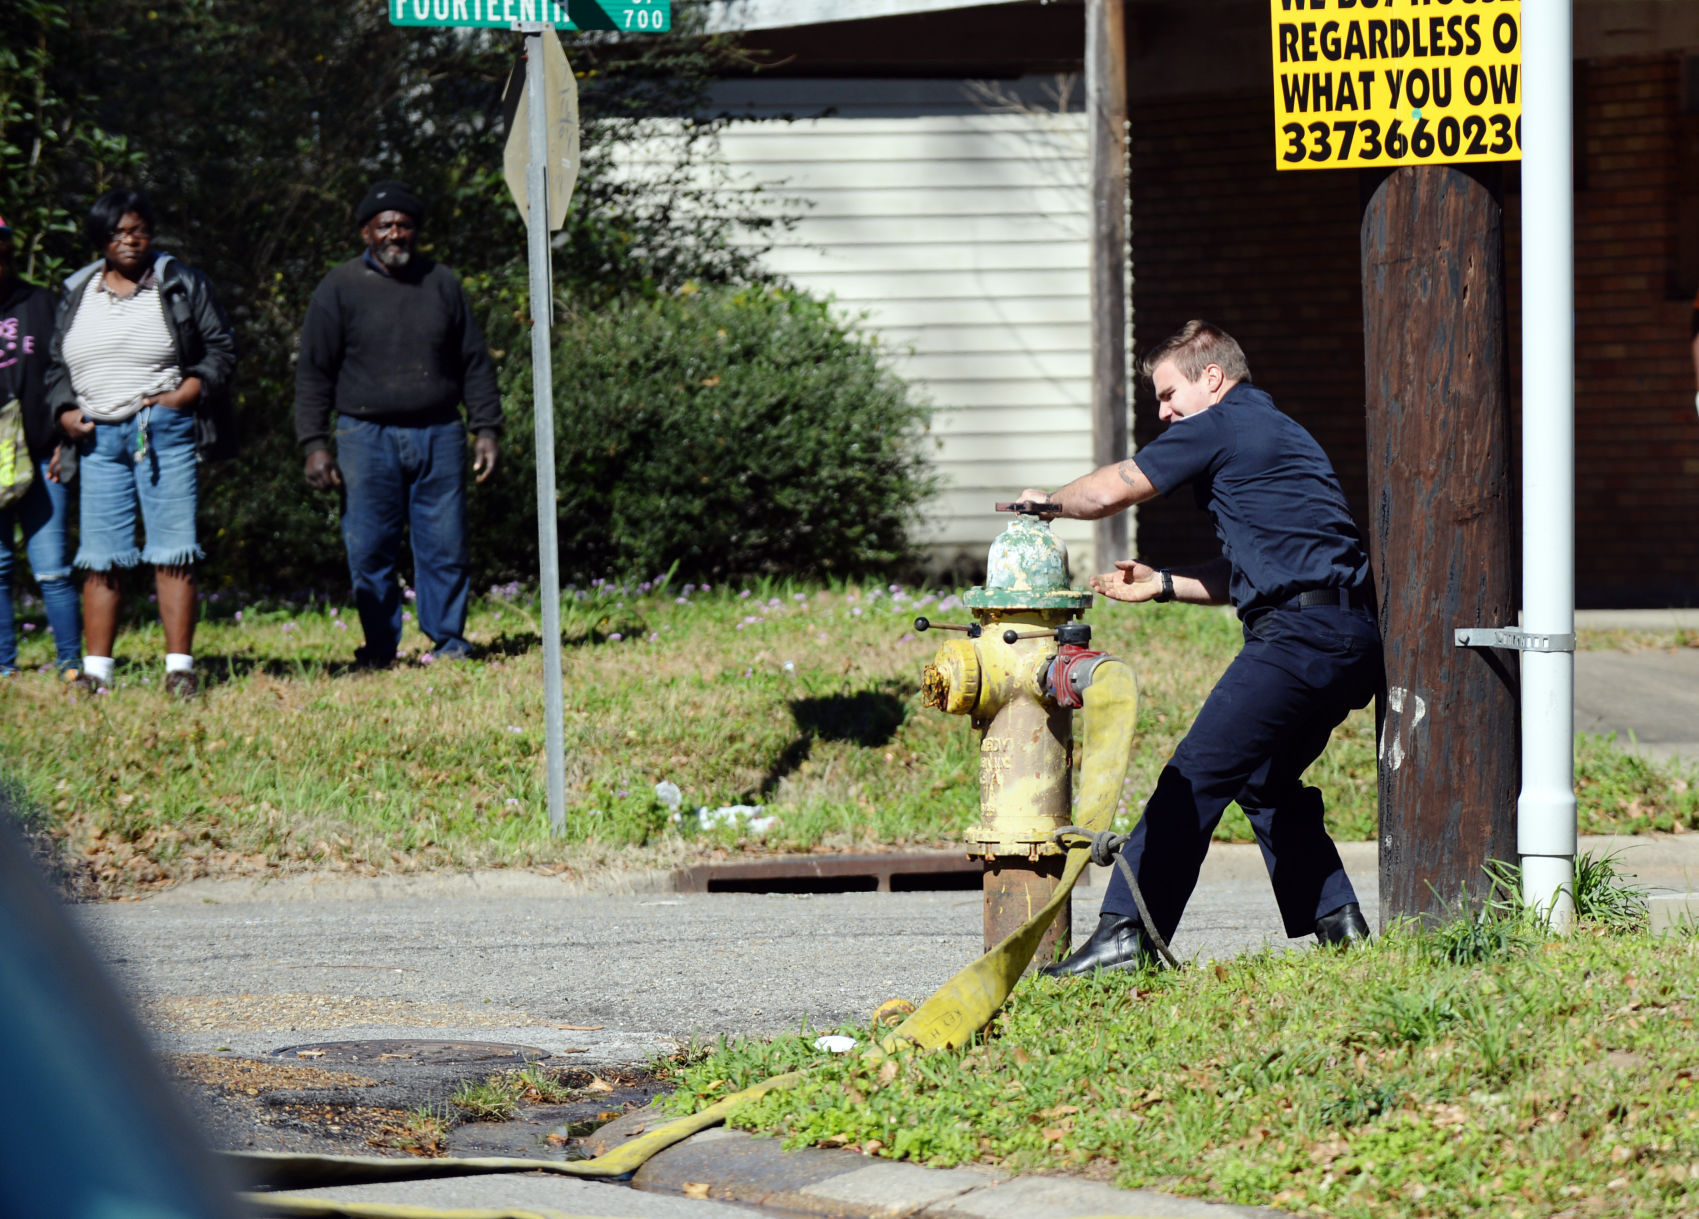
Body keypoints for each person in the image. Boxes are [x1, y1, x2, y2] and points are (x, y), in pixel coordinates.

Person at [1020, 320, 1379, 975]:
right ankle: (1340, 927)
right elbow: (1263, 565)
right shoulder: (1276, 430)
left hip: (1296, 640)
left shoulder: (1219, 424)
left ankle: (1127, 933)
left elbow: (1108, 491)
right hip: (1347, 637)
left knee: (1193, 775)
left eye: (1167, 393)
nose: (1162, 412)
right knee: (1265, 783)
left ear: (1211, 377)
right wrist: (1160, 583)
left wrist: (1044, 505)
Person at [294, 179, 501, 668]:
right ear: (366, 232)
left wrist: (486, 428)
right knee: (369, 549)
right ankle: (380, 648)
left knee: (445, 545)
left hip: (440, 432)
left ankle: (449, 641)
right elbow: (313, 372)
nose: (395, 234)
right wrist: (314, 444)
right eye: (384, 225)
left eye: (404, 225)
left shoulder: (443, 284)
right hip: (365, 437)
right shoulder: (339, 287)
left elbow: (475, 362)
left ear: (416, 232)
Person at [48, 189, 236, 700]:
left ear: (151, 233)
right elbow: (54, 367)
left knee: (172, 547)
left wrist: (186, 393)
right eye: (116, 232)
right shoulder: (75, 289)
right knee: (99, 554)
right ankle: (96, 674)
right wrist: (64, 411)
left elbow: (221, 348)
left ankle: (179, 670)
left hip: (163, 429)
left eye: (138, 230)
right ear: (100, 239)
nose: (128, 240)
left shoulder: (178, 281)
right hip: (95, 438)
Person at [0, 214, 81, 679]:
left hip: (42, 454)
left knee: (52, 568)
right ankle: (5, 667)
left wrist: (63, 440)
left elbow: (69, 372)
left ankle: (70, 664)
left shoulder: (43, 303)